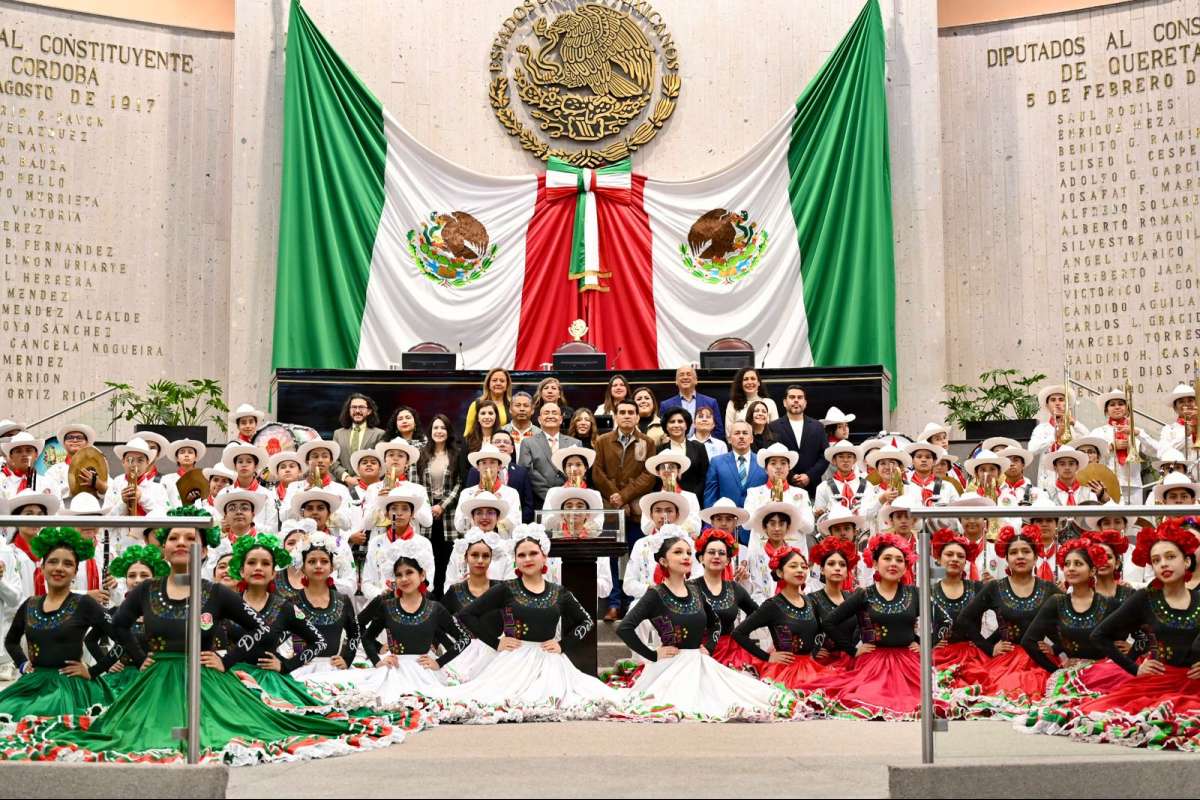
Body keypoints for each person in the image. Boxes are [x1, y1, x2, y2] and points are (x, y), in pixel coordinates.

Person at [3, 508, 407, 763]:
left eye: (189, 537)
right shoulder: (145, 591)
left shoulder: (218, 592)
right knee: (129, 737)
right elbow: (119, 626)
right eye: (174, 537)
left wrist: (228, 659)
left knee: (230, 733)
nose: (181, 543)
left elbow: (261, 628)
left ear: (201, 547)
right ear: (164, 548)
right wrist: (137, 654)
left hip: (207, 682)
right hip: (155, 683)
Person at [1021, 519, 1200, 749]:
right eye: (1156, 560)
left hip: (1195, 684)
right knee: (1119, 718)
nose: (1163, 564)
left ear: (1187, 560)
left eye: (1170, 557)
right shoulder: (1145, 598)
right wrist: (1135, 667)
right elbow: (1100, 635)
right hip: (1159, 681)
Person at [443, 525, 618, 721]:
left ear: (544, 556)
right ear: (515, 560)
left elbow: (585, 621)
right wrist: (495, 642)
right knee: (493, 699)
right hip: (513, 660)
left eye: (533, 553)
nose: (527, 559)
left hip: (550, 661)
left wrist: (563, 645)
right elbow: (466, 615)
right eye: (521, 555)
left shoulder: (559, 592)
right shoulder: (506, 588)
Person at [616, 534, 795, 721]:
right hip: (671, 665)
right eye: (678, 552)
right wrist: (653, 654)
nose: (685, 557)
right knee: (678, 704)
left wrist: (708, 647)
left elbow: (715, 622)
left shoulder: (695, 590)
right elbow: (625, 628)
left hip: (699, 660)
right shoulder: (655, 593)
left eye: (687, 552)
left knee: (744, 696)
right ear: (663, 560)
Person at [308, 541, 468, 710]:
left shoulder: (435, 608)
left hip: (425, 672)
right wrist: (378, 661)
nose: (404, 579)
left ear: (422, 575)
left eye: (409, 573)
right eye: (399, 575)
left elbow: (463, 639)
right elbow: (366, 637)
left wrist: (439, 662)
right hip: (394, 670)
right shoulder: (387, 606)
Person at [0, 527, 117, 721]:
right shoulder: (30, 604)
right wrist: (22, 664)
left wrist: (93, 671)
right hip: (33, 683)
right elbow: (11, 641)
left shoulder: (85, 603)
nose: (59, 568)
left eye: (68, 564)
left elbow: (122, 638)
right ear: (43, 567)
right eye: (53, 561)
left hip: (70, 686)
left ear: (75, 572)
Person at [810, 534, 925, 718]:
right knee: (870, 699)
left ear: (906, 566)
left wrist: (922, 643)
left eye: (899, 560)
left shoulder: (916, 593)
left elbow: (942, 621)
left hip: (909, 662)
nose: (893, 563)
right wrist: (853, 650)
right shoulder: (863, 594)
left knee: (924, 702)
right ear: (876, 564)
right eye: (887, 558)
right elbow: (829, 622)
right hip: (873, 663)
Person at [952, 524, 1061, 710]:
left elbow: (1069, 621)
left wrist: (1056, 648)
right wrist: (989, 647)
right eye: (1014, 552)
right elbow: (965, 619)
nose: (1020, 556)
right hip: (1006, 660)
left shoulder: (1049, 589)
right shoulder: (995, 587)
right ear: (1007, 558)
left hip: (1040, 660)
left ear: (1035, 557)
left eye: (1026, 551)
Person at [224, 533, 331, 708]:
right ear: (242, 570)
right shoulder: (226, 604)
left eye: (265, 563)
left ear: (273, 573)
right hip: (231, 682)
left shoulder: (285, 607)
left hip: (269, 685)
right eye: (252, 563)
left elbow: (318, 642)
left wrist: (286, 665)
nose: (258, 568)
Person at [1018, 538, 1126, 703]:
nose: (1071, 568)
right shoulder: (1057, 601)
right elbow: (1029, 641)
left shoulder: (1109, 604)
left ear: (1092, 571)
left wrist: (1131, 651)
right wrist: (1055, 669)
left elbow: (1142, 635)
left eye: (1078, 563)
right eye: (1067, 564)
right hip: (1072, 674)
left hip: (1106, 673)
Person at [732, 547, 845, 692]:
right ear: (780, 572)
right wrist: (768, 657)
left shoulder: (812, 601)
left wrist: (815, 651)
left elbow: (823, 629)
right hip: (785, 672)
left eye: (803, 567)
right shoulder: (772, 605)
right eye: (793, 566)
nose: (800, 570)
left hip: (811, 668)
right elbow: (738, 633)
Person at [592, 400, 657, 620]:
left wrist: (626, 496)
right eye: (623, 412)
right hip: (610, 508)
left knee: (636, 554)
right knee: (610, 555)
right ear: (616, 416)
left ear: (638, 417)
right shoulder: (602, 441)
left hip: (637, 509)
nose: (627, 416)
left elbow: (649, 475)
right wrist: (616, 497)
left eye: (631, 412)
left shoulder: (647, 442)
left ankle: (631, 602)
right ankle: (614, 602)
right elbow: (597, 473)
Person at [99, 544, 169, 698]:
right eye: (131, 576)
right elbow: (90, 640)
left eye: (144, 575)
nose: (137, 580)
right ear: (125, 579)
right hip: (121, 681)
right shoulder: (116, 611)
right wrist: (107, 663)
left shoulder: (168, 612)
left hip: (158, 680)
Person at [439, 530, 504, 683]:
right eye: (474, 555)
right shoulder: (455, 590)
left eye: (485, 556)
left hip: (495, 653)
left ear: (491, 558)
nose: (480, 560)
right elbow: (437, 621)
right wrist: (450, 645)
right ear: (466, 558)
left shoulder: (501, 589)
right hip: (462, 657)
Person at [691, 528, 759, 672]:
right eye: (711, 552)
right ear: (701, 558)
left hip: (731, 653)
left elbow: (758, 613)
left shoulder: (734, 588)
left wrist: (742, 632)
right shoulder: (689, 588)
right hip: (697, 652)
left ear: (728, 560)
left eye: (721, 553)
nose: (716, 556)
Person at [926, 529, 989, 682]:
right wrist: (930, 644)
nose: (955, 559)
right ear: (939, 559)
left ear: (966, 562)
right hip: (940, 657)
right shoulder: (928, 591)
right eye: (949, 555)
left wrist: (989, 645)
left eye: (960, 556)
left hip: (973, 657)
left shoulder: (978, 588)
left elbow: (1005, 615)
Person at [359, 484, 435, 604]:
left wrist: (408, 595)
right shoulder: (376, 542)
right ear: (386, 513)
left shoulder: (423, 543)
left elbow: (428, 581)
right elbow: (367, 583)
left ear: (412, 513)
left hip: (414, 603)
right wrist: (383, 594)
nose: (399, 513)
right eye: (394, 508)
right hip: (382, 603)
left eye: (405, 508)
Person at [415, 414, 464, 590]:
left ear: (448, 431)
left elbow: (460, 483)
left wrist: (442, 505)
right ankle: (429, 595)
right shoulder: (421, 454)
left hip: (448, 512)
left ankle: (444, 597)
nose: (439, 431)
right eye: (436, 427)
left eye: (443, 427)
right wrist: (428, 507)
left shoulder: (456, 454)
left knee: (446, 556)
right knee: (428, 556)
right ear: (430, 431)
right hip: (425, 511)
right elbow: (416, 483)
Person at [1090, 388, 1160, 504]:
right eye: (1112, 405)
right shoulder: (1098, 432)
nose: (1117, 407)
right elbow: (1090, 459)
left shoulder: (1136, 431)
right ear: (1106, 410)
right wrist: (1111, 446)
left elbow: (1156, 451)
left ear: (1127, 408)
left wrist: (1138, 434)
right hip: (1107, 484)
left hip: (1134, 485)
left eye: (1121, 404)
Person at [805, 536, 860, 671]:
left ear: (847, 571)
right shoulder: (811, 599)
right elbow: (801, 631)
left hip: (853, 661)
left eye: (842, 565)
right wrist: (813, 649)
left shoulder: (854, 598)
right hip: (822, 665)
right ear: (822, 569)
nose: (837, 568)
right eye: (831, 564)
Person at [703, 421, 767, 537]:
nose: (741, 436)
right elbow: (710, 497)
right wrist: (709, 526)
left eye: (745, 433)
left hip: (755, 530)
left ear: (752, 439)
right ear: (729, 439)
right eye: (737, 433)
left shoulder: (762, 463)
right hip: (725, 528)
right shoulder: (717, 462)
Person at [743, 443, 816, 543]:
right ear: (765, 469)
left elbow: (809, 527)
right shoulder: (754, 493)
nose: (778, 467)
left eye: (783, 463)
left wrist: (789, 509)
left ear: (789, 468)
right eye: (773, 463)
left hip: (793, 553)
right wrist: (766, 507)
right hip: (762, 551)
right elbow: (746, 525)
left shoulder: (801, 494)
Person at [767, 385, 828, 497]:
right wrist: (791, 476)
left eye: (800, 397)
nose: (796, 400)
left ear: (805, 403)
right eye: (792, 397)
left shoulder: (818, 426)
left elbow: (825, 456)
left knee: (811, 514)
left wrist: (809, 476)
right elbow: (771, 458)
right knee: (779, 513)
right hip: (780, 485)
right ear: (785, 402)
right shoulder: (773, 427)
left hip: (813, 486)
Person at [517, 403, 581, 508]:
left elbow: (580, 471)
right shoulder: (528, 443)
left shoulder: (575, 443)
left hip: (569, 501)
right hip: (539, 502)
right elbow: (527, 471)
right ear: (539, 420)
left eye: (554, 413)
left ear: (560, 419)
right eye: (546, 413)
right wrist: (550, 496)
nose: (550, 416)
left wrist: (565, 495)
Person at [1028, 383, 1090, 489]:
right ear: (1047, 405)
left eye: (1061, 399)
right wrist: (1054, 437)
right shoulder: (1042, 428)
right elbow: (1032, 449)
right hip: (1048, 479)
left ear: (1067, 404)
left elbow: (1089, 440)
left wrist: (1074, 423)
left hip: (1073, 478)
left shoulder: (1075, 427)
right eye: (1053, 400)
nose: (1057, 403)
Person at [466, 431, 534, 523]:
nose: (502, 444)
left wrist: (515, 526)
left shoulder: (521, 472)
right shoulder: (474, 472)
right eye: (497, 442)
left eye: (506, 442)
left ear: (512, 449)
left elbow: (527, 505)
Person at [455, 447, 522, 535]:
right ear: (478, 467)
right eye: (483, 463)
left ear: (499, 467)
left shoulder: (511, 493)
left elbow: (516, 527)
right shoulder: (467, 493)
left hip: (501, 544)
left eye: (492, 462)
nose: (488, 467)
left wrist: (498, 505)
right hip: (475, 544)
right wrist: (472, 502)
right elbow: (460, 527)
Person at [813, 439, 878, 522]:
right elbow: (820, 520)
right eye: (841, 456)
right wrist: (819, 513)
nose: (845, 460)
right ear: (833, 461)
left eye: (849, 456)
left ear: (854, 460)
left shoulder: (867, 485)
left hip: (864, 532)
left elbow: (872, 514)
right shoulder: (823, 487)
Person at [220, 442, 278, 533]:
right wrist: (222, 528)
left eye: (249, 461)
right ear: (235, 466)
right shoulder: (224, 493)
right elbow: (218, 524)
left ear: (255, 466)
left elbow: (273, 529)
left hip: (259, 544)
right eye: (240, 461)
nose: (244, 465)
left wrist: (246, 525)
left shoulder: (268, 494)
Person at [656, 407, 709, 500]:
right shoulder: (660, 449)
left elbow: (704, 477)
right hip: (667, 500)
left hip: (694, 499)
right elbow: (656, 479)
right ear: (666, 426)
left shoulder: (698, 447)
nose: (676, 425)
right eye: (672, 422)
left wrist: (693, 497)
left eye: (680, 421)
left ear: (686, 425)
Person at [659, 364, 723, 441]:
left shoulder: (711, 402)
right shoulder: (666, 405)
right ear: (676, 381)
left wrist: (705, 444)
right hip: (677, 448)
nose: (685, 377)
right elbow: (663, 431)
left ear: (696, 380)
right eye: (681, 375)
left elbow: (719, 431)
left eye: (689, 374)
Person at [333, 393, 386, 484]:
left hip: (370, 485)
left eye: (361, 407)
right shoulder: (338, 433)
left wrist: (365, 479)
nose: (357, 410)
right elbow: (333, 460)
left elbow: (382, 461)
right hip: (343, 485)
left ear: (369, 411)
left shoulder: (379, 434)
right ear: (349, 411)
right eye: (354, 407)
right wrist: (347, 478)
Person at [1, 431, 65, 500]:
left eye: (29, 450)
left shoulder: (49, 482)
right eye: (18, 451)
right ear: (11, 456)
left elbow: (59, 509)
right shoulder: (1, 484)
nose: (24, 454)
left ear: (36, 455)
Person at [44, 422, 100, 500]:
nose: (74, 440)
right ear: (64, 443)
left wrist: (97, 484)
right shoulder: (53, 471)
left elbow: (110, 492)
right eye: (70, 437)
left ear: (87, 443)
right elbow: (49, 495)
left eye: (79, 438)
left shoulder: (98, 468)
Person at [725, 367, 776, 438]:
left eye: (753, 379)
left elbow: (775, 430)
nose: (749, 382)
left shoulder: (769, 403)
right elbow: (729, 432)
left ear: (758, 383)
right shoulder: (733, 403)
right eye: (745, 379)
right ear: (741, 383)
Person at [464, 368, 512, 437]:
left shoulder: (512, 405)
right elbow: (468, 433)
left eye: (502, 381)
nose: (498, 383)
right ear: (488, 384)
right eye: (494, 380)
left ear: (507, 385)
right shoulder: (476, 404)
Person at [161, 438, 206, 508]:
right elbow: (163, 503)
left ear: (195, 457)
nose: (186, 455)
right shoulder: (166, 479)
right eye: (182, 452)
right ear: (177, 458)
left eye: (190, 452)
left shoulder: (203, 479)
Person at [1157, 382, 1197, 457]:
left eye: (1190, 400)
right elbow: (1161, 453)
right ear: (1175, 408)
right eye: (1181, 402)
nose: (1186, 404)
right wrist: (1186, 436)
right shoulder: (1168, 429)